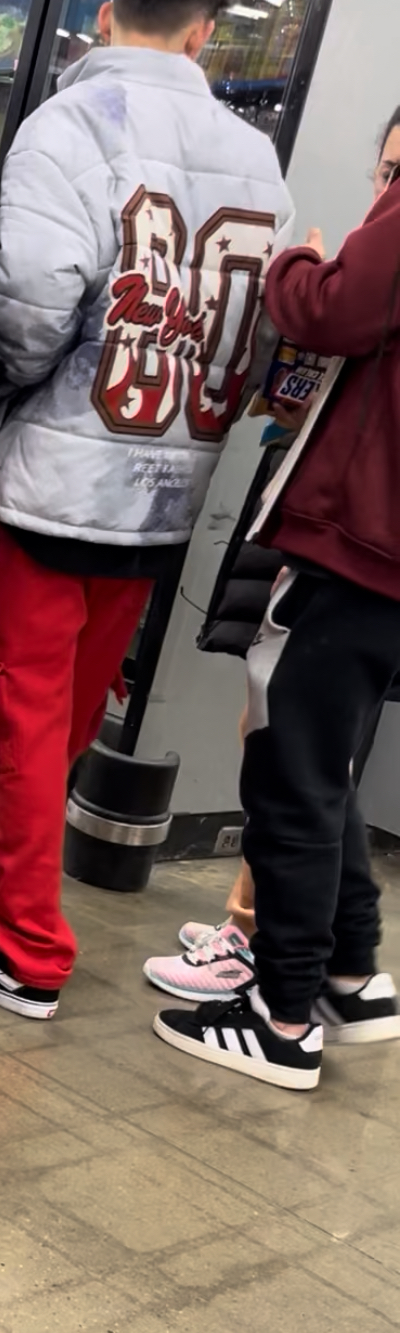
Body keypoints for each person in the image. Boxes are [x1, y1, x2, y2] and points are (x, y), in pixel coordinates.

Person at [0, 0, 293, 1024]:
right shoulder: (256, 158)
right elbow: (261, 327)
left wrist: (11, 388)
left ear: (105, 6)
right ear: (207, 31)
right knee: (66, 715)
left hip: (52, 475)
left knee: (21, 713)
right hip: (168, 481)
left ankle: (28, 948)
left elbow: (32, 300)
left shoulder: (70, 124)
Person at [154, 146, 400, 1088]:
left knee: (292, 774)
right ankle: (348, 976)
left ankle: (281, 1017)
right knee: (323, 770)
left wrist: (299, 264)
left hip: (355, 539)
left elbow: (337, 308)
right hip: (383, 557)